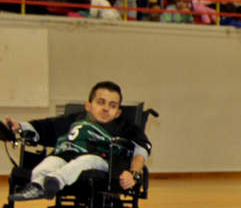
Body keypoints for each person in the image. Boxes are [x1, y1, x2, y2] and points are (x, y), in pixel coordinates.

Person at [6, 81, 150, 200]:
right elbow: (45, 127)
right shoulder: (74, 120)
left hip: (100, 159)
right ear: (88, 105)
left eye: (112, 105)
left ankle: (55, 181)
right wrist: (19, 127)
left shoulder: (124, 126)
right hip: (66, 155)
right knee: (50, 162)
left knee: (84, 161)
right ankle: (37, 186)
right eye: (101, 102)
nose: (106, 108)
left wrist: (133, 174)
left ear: (118, 112)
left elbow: (141, 149)